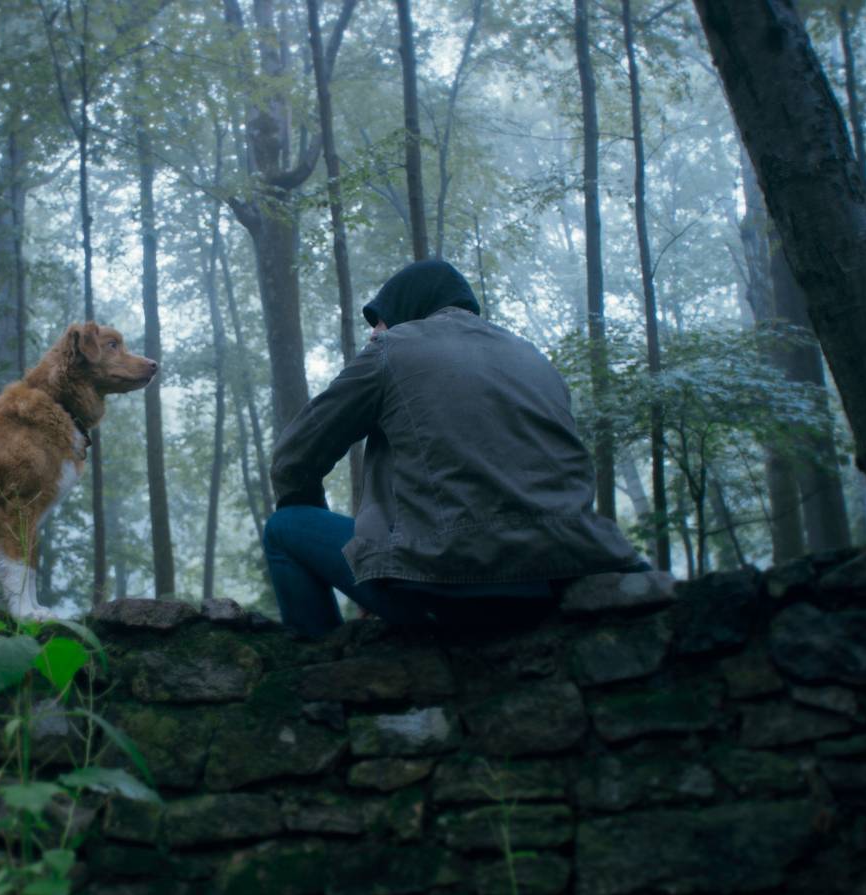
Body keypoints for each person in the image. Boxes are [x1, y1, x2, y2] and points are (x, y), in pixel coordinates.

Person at [262, 259, 645, 637]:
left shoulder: (391, 350)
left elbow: (294, 458)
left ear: (406, 308)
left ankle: (320, 661)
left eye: (379, 320)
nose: (374, 332)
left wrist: (333, 528)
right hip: (563, 576)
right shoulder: (532, 356)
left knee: (285, 526)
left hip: (447, 585)